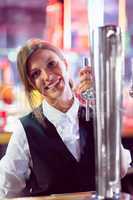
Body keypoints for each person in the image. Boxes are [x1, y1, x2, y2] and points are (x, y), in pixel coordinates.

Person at [0, 39, 131, 198]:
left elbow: (121, 168)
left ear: (65, 63)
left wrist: (101, 105)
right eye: (36, 73)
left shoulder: (96, 114)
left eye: (51, 64)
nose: (47, 76)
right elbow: (6, 192)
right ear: (32, 84)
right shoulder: (26, 129)